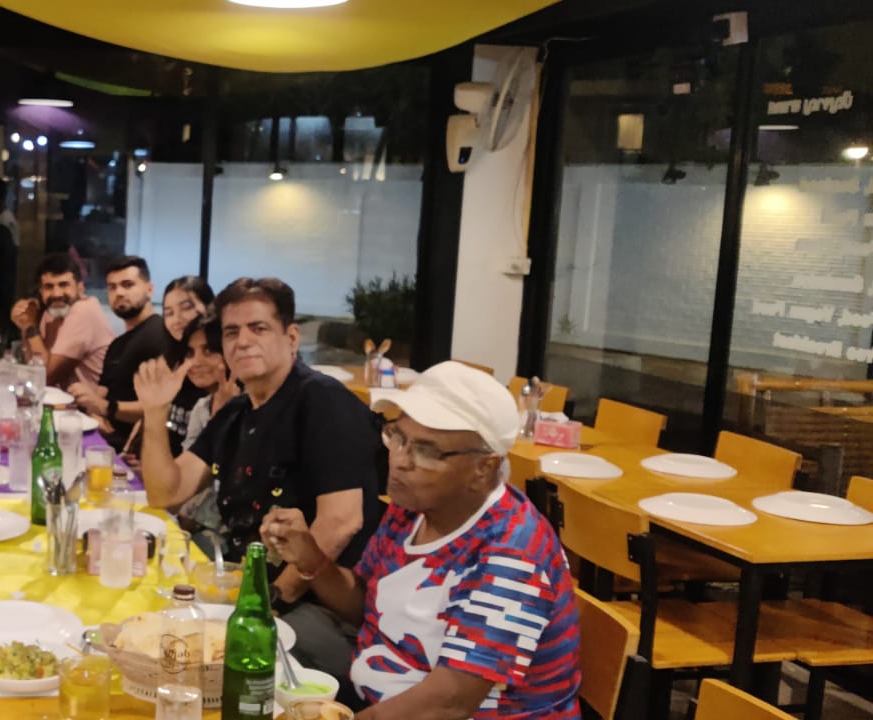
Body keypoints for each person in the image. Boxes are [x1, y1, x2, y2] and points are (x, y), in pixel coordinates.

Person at [261, 361, 581, 719]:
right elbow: (368, 605)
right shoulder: (415, 507)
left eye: (427, 451)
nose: (399, 461)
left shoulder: (513, 555)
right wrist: (312, 560)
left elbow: (450, 702)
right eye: (398, 437)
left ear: (484, 468)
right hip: (381, 687)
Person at [133, 276, 384, 680]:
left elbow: (341, 522)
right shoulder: (236, 413)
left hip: (324, 609)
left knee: (196, 664)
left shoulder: (322, 401)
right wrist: (155, 414)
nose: (243, 341)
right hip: (248, 585)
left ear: (291, 337)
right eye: (232, 331)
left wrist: (267, 604)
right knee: (151, 623)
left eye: (259, 328)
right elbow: (168, 491)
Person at [72, 256, 171, 447]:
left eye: (128, 285)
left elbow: (162, 407)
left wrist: (106, 409)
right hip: (104, 438)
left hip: (137, 449)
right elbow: (101, 393)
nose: (119, 292)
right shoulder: (117, 344)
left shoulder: (159, 336)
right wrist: (94, 413)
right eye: (112, 287)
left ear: (149, 289)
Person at [169, 312, 239, 543]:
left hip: (229, 538)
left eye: (208, 351)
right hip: (193, 523)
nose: (195, 362)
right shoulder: (201, 406)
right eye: (190, 353)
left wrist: (223, 417)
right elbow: (185, 481)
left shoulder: (251, 408)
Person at [9, 252, 113, 389]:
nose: (56, 294)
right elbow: (34, 365)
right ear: (41, 291)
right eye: (49, 287)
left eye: (64, 285)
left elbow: (46, 376)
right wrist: (25, 324)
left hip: (91, 408)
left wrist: (30, 326)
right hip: (65, 403)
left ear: (80, 287)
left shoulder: (84, 310)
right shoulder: (52, 311)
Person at [159, 276, 216, 456]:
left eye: (186, 308)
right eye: (169, 313)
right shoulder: (172, 358)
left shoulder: (215, 366)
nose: (177, 320)